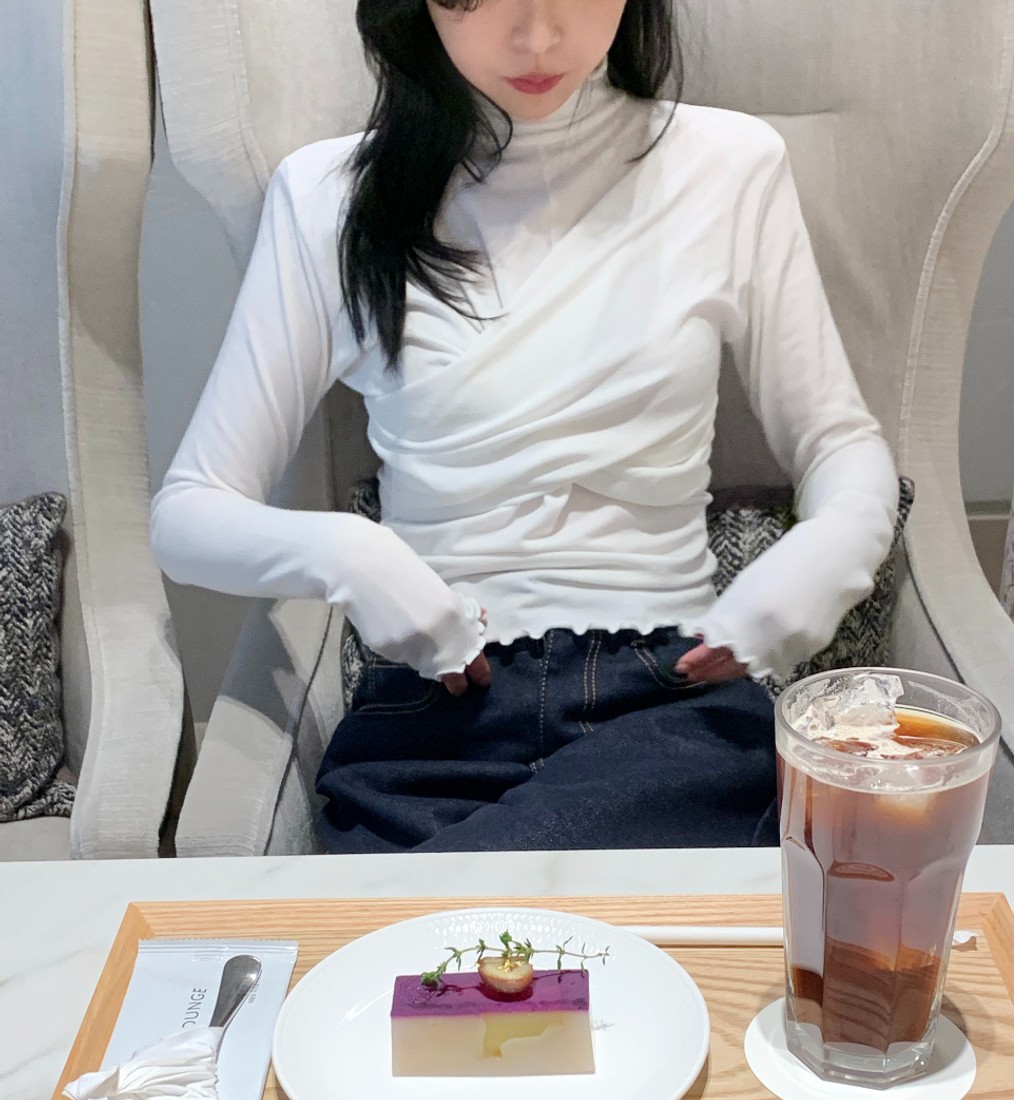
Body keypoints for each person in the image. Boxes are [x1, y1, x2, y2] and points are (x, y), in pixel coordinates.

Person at [150, 0, 899, 854]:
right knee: (526, 921)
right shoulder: (329, 197)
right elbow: (189, 511)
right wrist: (354, 556)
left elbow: (839, 443)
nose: (539, 38)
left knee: (431, 925)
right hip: (434, 717)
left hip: (667, 706)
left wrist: (818, 566)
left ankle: (443, 900)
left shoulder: (728, 167)